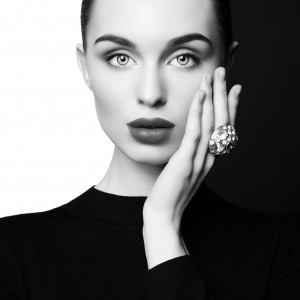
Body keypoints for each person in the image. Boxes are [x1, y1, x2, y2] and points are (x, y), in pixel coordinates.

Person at [0, 0, 299, 299]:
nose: (150, 94)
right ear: (85, 66)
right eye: (119, 58)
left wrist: (162, 228)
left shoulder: (285, 250)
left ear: (226, 63)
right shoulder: (10, 254)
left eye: (184, 58)